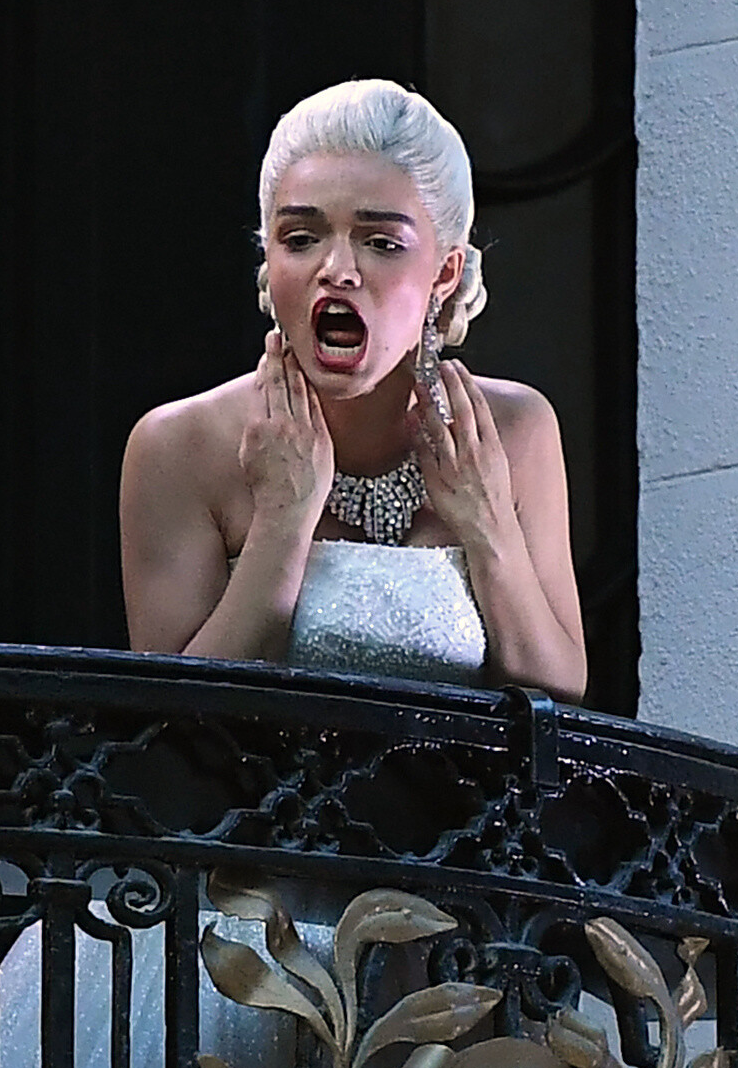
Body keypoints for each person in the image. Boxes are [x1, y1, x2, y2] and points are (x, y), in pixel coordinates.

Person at [120, 79, 587, 698]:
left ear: (445, 273)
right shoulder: (178, 446)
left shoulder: (516, 431)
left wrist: (488, 523)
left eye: (382, 243)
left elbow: (560, 698)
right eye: (301, 239)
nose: (336, 271)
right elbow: (174, 719)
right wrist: (282, 523)